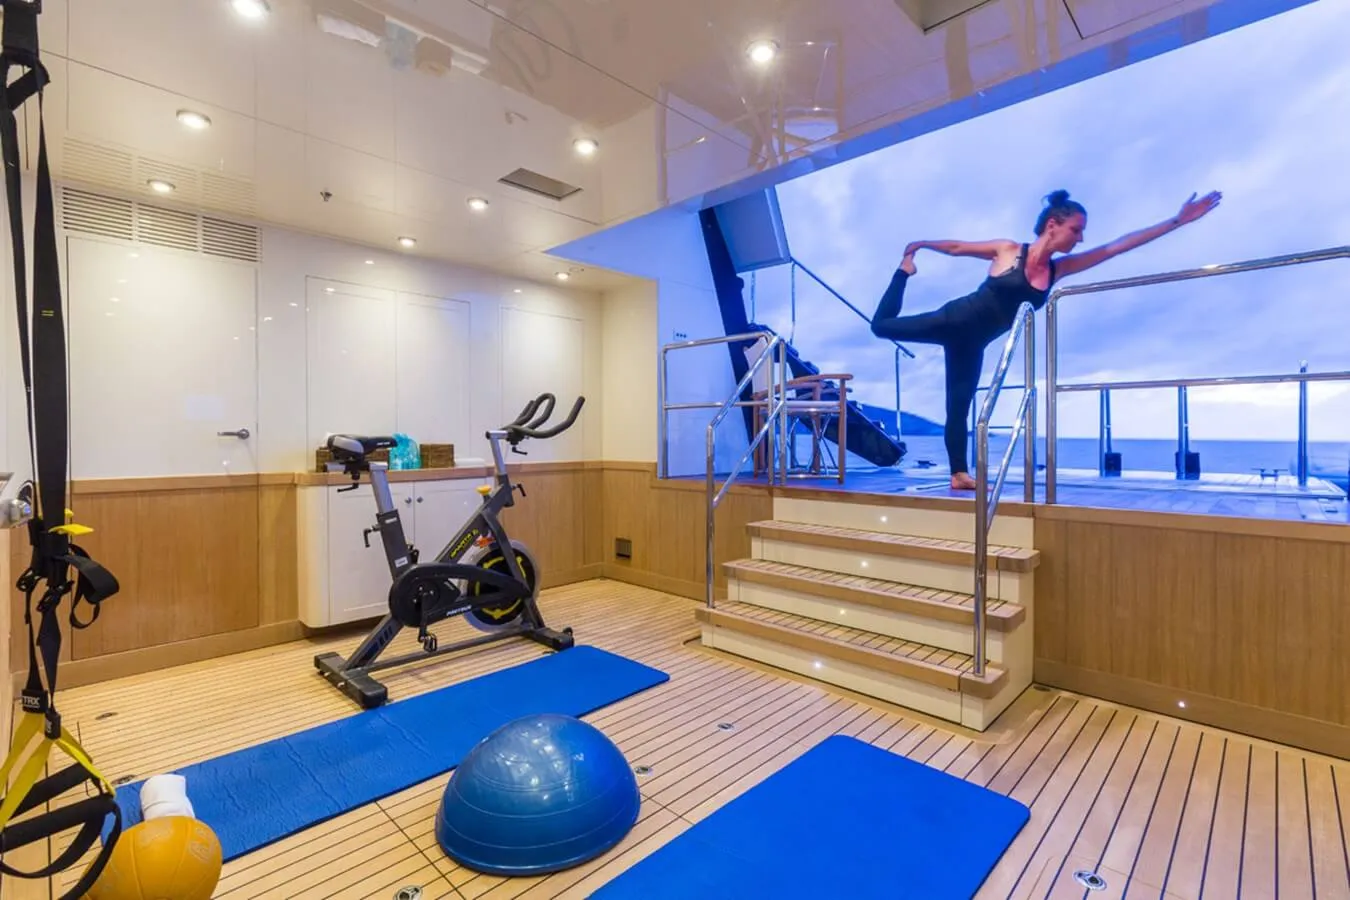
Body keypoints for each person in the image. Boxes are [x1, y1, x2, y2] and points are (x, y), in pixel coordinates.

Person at [871, 188, 1222, 490]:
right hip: (952, 319)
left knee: (959, 407)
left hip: (975, 343)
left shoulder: (1058, 269)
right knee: (882, 326)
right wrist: (921, 246)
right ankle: (903, 273)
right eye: (1076, 230)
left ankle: (959, 474)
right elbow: (957, 247)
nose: (1080, 238)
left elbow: (1115, 247)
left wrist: (1177, 221)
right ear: (1053, 224)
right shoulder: (1008, 250)